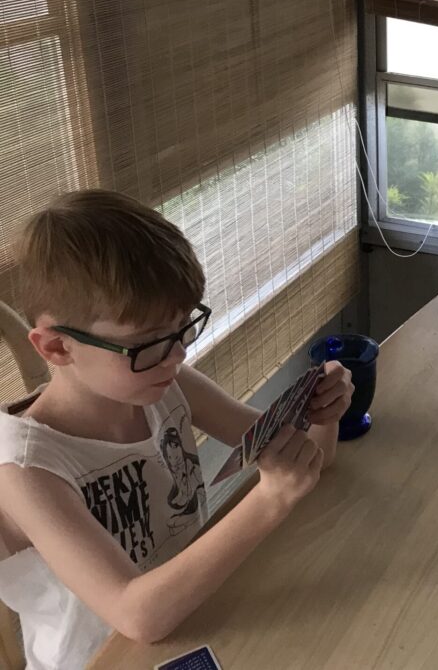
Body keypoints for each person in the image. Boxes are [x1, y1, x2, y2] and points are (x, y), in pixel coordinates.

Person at [0, 190, 355, 669]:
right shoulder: (24, 468)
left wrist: (323, 415)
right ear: (58, 348)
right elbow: (136, 615)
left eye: (182, 327)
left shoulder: (162, 382)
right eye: (147, 343)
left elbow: (302, 460)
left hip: (195, 617)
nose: (178, 355)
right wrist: (270, 499)